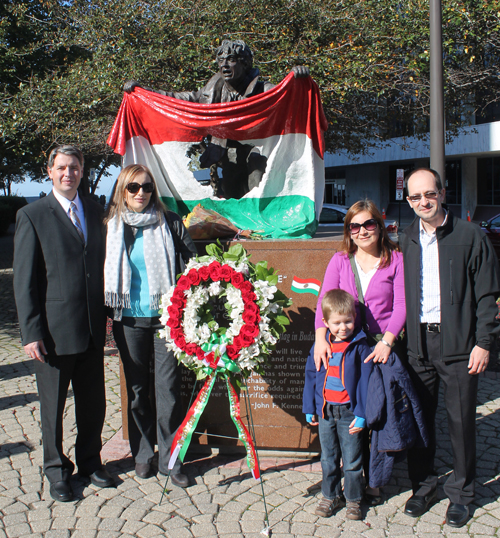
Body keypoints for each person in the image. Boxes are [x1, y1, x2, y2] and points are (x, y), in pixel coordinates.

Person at [400, 168, 500, 527]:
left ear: (442, 193)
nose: (423, 201)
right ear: (408, 201)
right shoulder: (406, 239)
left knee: (460, 423)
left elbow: (488, 295)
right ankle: (423, 486)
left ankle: (462, 492)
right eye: (415, 197)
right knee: (420, 421)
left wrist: (484, 342)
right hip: (418, 346)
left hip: (460, 345)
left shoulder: (470, 235)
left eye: (429, 193)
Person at [13, 145, 113, 502]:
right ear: (50, 171)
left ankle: (89, 461)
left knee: (93, 403)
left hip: (91, 327)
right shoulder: (33, 215)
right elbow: (24, 281)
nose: (68, 173)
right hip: (53, 333)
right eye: (61, 167)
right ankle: (56, 470)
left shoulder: (97, 211)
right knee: (53, 407)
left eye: (74, 167)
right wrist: (31, 332)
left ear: (82, 171)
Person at [104, 164, 197, 485]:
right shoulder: (113, 227)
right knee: (137, 391)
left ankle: (171, 459)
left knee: (169, 390)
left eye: (146, 187)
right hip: (129, 320)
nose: (140, 193)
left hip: (166, 319)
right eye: (133, 188)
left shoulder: (169, 222)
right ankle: (143, 453)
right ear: (122, 191)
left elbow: (191, 265)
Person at [123, 39, 309, 199]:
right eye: (221, 61)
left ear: (244, 63)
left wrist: (297, 80)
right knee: (231, 190)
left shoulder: (263, 89)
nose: (224, 65)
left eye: (231, 60)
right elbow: (180, 97)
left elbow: (287, 95)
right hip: (227, 150)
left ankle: (261, 221)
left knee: (256, 176)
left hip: (256, 147)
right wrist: (146, 92)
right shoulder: (212, 91)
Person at [313, 199, 406, 504]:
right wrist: (320, 338)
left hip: (380, 347)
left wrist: (387, 341)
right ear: (348, 230)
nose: (362, 231)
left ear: (380, 226)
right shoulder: (340, 260)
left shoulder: (396, 259)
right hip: (348, 349)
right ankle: (347, 478)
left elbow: (401, 305)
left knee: (377, 416)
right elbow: (324, 301)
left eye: (368, 224)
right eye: (355, 226)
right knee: (352, 413)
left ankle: (375, 480)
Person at [303, 289, 373, 520]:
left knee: (352, 460)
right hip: (326, 412)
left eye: (348, 321)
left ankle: (354, 499)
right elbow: (311, 376)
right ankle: (330, 495)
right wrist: (310, 408)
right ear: (325, 322)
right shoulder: (321, 345)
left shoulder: (360, 345)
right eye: (337, 323)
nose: (343, 327)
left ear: (355, 318)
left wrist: (362, 414)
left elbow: (365, 383)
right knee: (328, 457)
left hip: (350, 413)